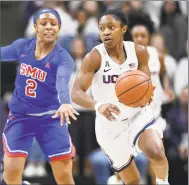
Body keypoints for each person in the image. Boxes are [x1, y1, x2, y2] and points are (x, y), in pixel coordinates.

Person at [71, 9, 170, 185]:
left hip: (136, 114)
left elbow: (146, 81)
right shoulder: (94, 57)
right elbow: (76, 93)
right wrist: (98, 105)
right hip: (110, 125)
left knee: (156, 151)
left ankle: (163, 182)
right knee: (132, 180)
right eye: (102, 29)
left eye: (111, 27)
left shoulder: (139, 52)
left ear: (124, 29)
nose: (106, 32)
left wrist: (147, 93)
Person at [1, 8, 79, 185]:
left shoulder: (63, 57)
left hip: (51, 117)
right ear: (36, 27)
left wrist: (65, 102)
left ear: (59, 28)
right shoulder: (22, 46)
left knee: (64, 177)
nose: (49, 27)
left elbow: (62, 80)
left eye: (53, 24)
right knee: (11, 173)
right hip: (21, 117)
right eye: (44, 23)